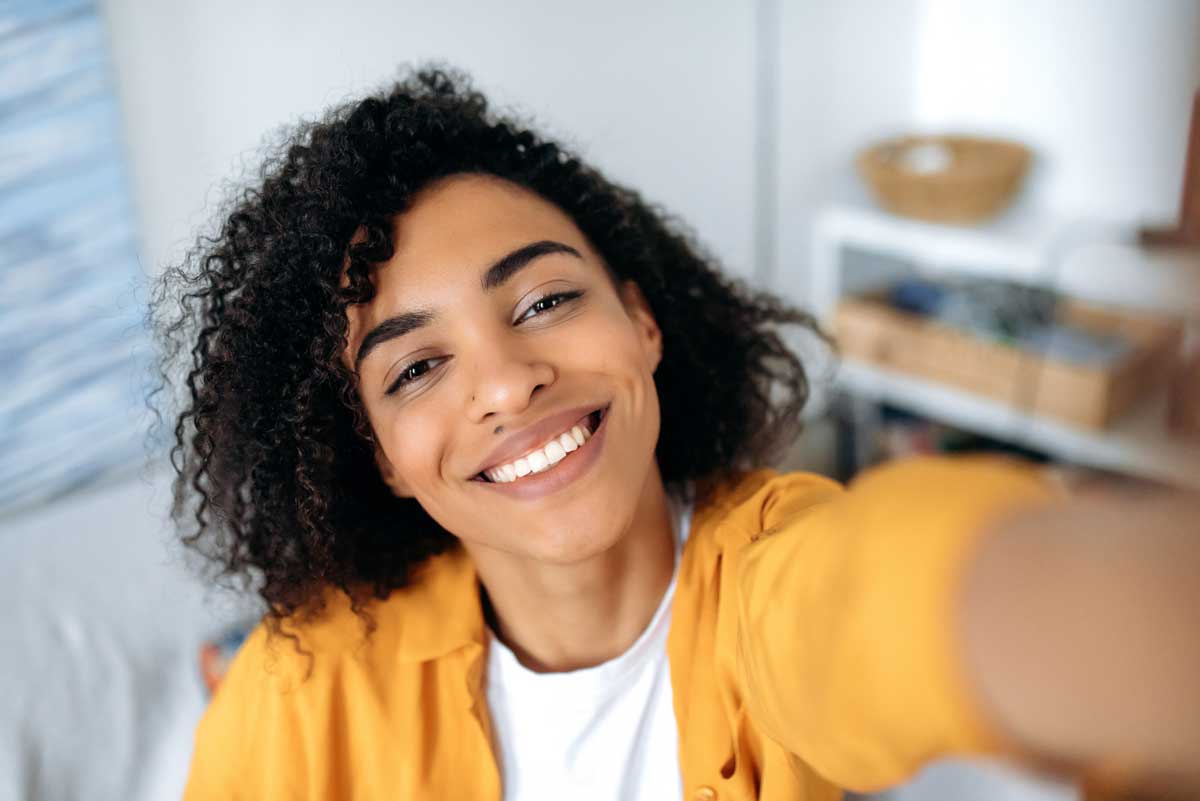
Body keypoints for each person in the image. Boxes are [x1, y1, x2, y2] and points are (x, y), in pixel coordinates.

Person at [153, 67, 1199, 801]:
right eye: (419, 367)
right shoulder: (298, 689)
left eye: (544, 302)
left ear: (642, 323)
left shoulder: (773, 576)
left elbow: (894, 598)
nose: (510, 386)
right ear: (378, 454)